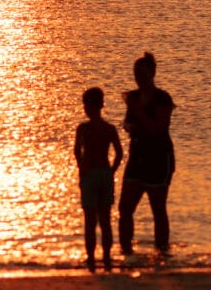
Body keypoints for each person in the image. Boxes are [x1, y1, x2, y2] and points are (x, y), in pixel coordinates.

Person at [118, 52, 175, 254]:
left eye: (142, 74)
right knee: (125, 208)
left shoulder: (162, 98)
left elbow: (157, 129)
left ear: (152, 74)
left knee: (158, 208)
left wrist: (137, 111)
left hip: (159, 157)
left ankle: (162, 251)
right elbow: (128, 122)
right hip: (137, 156)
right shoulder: (133, 96)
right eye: (136, 74)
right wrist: (128, 125)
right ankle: (126, 252)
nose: (139, 78)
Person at [73, 87, 123, 272]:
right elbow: (119, 153)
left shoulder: (83, 129)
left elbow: (77, 151)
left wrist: (81, 167)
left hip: (90, 174)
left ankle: (92, 259)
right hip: (104, 173)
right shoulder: (109, 129)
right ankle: (107, 258)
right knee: (105, 219)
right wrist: (112, 171)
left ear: (86, 106)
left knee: (90, 220)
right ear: (102, 105)